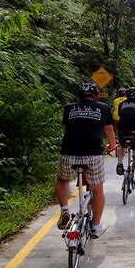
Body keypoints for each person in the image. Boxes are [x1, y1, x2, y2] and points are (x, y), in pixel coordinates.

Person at [55, 81, 116, 238]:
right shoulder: (103, 108)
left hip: (68, 153)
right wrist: (112, 146)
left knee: (62, 180)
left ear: (79, 96)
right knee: (97, 190)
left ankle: (65, 210)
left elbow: (71, 127)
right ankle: (96, 226)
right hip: (93, 155)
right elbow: (109, 131)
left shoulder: (68, 108)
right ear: (96, 96)